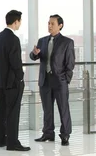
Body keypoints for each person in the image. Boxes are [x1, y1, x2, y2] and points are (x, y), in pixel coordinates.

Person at [30, 14, 75, 146]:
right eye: (48, 23)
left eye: (52, 24)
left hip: (60, 81)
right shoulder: (42, 41)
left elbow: (70, 63)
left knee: (63, 109)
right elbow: (33, 57)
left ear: (60, 25)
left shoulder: (67, 42)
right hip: (45, 81)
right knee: (47, 109)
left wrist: (65, 79)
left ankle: (65, 135)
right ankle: (48, 133)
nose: (49, 26)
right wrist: (34, 54)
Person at [0, 10, 30, 151]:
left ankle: (1, 139)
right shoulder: (13, 39)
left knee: (1, 110)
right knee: (13, 111)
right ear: (16, 22)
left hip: (0, 80)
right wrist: (20, 77)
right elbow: (15, 62)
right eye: (19, 21)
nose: (20, 24)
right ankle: (13, 142)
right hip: (12, 81)